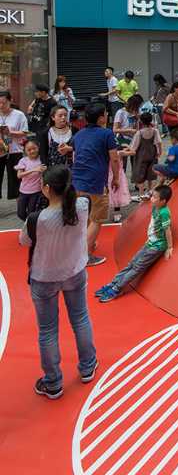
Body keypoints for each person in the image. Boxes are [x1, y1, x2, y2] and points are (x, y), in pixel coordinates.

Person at [19, 165, 98, 399]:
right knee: (81, 318)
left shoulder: (37, 219)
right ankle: (87, 366)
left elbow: (24, 241)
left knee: (48, 330)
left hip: (44, 277)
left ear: (46, 189)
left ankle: (53, 382)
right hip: (74, 271)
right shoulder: (82, 205)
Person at [95, 184, 173, 302]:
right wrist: (147, 198)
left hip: (156, 246)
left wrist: (169, 247)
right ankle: (113, 283)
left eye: (155, 197)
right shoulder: (155, 207)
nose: (152, 199)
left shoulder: (164, 212)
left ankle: (117, 288)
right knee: (131, 264)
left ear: (163, 201)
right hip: (150, 243)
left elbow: (168, 230)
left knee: (137, 267)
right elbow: (150, 207)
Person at [70, 103, 120, 266]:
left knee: (83, 216)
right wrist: (116, 178)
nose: (107, 116)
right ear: (100, 118)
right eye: (105, 114)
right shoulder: (107, 134)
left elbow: (77, 154)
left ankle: (85, 245)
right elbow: (114, 158)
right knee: (97, 218)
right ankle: (84, 255)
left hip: (77, 180)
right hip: (96, 181)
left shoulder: (79, 135)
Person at [0, 90, 29, 200]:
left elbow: (25, 132)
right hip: (0, 150)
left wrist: (11, 133)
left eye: (4, 102)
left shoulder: (19, 115)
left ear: (10, 101)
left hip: (14, 150)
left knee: (15, 178)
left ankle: (19, 204)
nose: (1, 105)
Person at [127, 111, 162, 199]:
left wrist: (128, 148)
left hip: (141, 157)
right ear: (150, 120)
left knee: (140, 175)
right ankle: (150, 191)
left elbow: (134, 146)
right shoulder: (155, 131)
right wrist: (159, 152)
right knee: (150, 173)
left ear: (141, 122)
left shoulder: (139, 133)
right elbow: (159, 142)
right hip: (152, 155)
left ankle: (141, 193)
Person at [16, 139, 46, 221]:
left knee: (31, 213)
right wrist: (34, 170)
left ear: (38, 148)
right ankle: (29, 223)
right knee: (20, 213)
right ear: (25, 151)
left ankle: (31, 226)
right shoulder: (23, 160)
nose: (32, 151)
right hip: (23, 191)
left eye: (34, 148)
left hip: (36, 192)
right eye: (29, 150)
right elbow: (19, 175)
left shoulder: (42, 160)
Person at [27, 84, 57, 160]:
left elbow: (53, 115)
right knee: (35, 145)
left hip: (44, 128)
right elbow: (33, 103)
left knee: (42, 146)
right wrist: (30, 106)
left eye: (37, 92)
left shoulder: (52, 102)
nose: (35, 93)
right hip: (35, 126)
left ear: (43, 92)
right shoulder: (38, 98)